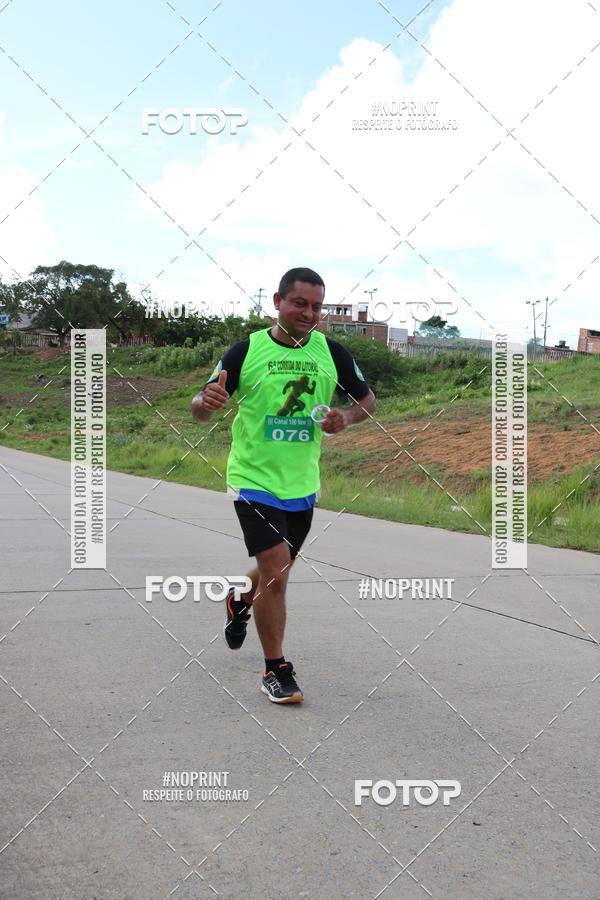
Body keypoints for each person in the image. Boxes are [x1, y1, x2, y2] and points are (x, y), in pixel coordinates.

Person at [191, 267, 376, 704]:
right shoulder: (246, 350)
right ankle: (276, 669)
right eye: (300, 304)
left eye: (317, 306)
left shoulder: (332, 353)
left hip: (302, 484)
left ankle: (239, 602)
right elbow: (201, 405)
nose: (309, 313)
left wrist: (344, 418)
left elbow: (367, 400)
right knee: (276, 570)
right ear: (278, 301)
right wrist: (205, 402)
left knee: (278, 569)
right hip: (252, 480)